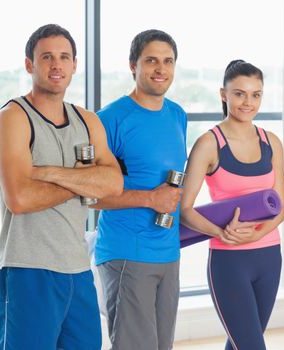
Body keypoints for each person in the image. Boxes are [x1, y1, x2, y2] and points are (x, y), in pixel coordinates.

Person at [0, 24, 123, 350]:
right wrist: (84, 180)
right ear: (29, 64)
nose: (56, 65)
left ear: (75, 65)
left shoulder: (87, 120)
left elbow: (114, 183)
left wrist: (48, 173)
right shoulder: (13, 117)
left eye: (64, 57)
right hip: (28, 269)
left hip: (77, 269)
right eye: (46, 57)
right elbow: (19, 198)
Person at [180, 60, 284, 350]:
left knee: (241, 343)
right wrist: (220, 232)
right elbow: (185, 208)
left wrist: (257, 234)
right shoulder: (208, 143)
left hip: (269, 257)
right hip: (229, 262)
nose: (247, 102)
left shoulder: (272, 142)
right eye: (239, 93)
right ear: (224, 94)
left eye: (256, 94)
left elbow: (281, 208)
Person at [92, 29, 187, 350]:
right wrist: (150, 198)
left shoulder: (177, 115)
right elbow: (90, 195)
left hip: (168, 253)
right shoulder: (110, 120)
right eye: (151, 61)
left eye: (168, 61)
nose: (161, 69)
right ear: (133, 65)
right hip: (127, 253)